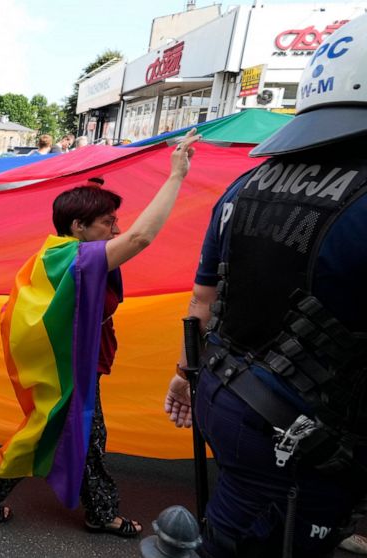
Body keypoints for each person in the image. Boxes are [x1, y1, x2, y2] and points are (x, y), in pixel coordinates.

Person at [164, 15, 367, 557]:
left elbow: (202, 301)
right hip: (305, 437)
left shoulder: (246, 184)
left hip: (225, 395)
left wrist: (184, 376)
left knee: (231, 526)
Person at [0, 131, 199, 535]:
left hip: (79, 366)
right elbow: (141, 238)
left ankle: (94, 509)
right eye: (108, 222)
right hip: (69, 372)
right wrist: (176, 175)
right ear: (78, 226)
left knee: (82, 434)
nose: (116, 228)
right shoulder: (75, 259)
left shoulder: (62, 253)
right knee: (55, 431)